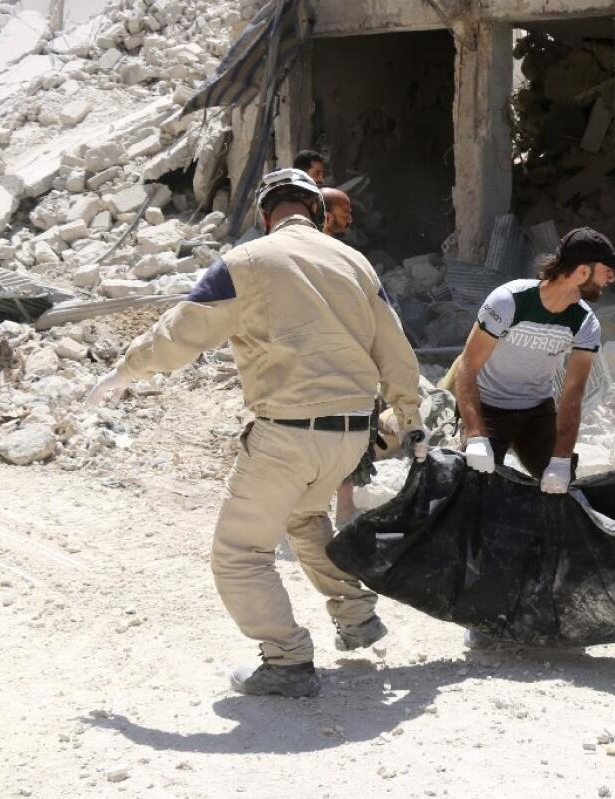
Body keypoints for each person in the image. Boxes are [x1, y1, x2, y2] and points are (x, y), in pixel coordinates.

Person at [85, 168, 427, 698]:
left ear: (265, 214)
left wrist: (126, 369)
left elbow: (183, 330)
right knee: (304, 517)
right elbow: (396, 347)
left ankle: (286, 659)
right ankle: (356, 614)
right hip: (350, 439)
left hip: (288, 434)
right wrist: (411, 419)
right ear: (315, 211)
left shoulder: (244, 261)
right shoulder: (355, 263)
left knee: (240, 553)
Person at [455, 228, 615, 493]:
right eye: (607, 270)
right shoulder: (509, 301)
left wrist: (561, 460)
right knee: (474, 486)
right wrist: (476, 436)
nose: (611, 277)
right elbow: (467, 368)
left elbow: (572, 394)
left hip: (536, 411)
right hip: (489, 407)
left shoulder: (585, 323)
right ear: (582, 272)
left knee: (564, 488)